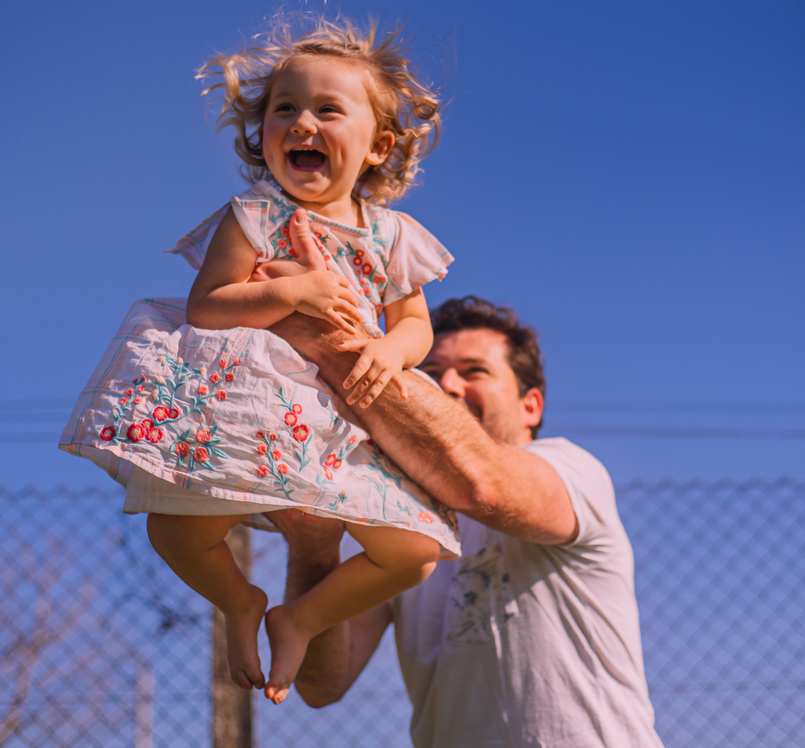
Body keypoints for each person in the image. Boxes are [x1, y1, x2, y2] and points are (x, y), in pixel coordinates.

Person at [58, 15, 463, 705]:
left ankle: (299, 615)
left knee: (414, 551)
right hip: (253, 416)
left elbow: (416, 326)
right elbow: (210, 304)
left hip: (343, 421)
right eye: (285, 109)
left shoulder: (394, 235)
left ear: (377, 146)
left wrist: (390, 350)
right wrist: (290, 290)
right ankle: (241, 602)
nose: (302, 122)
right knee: (174, 530)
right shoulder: (251, 215)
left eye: (327, 109)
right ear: (262, 133)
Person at [261, 292, 666, 747]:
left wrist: (323, 338)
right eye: (429, 373)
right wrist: (313, 544)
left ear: (530, 405)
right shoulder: (397, 523)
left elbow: (481, 483)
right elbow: (321, 683)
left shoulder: (571, 469)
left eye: (475, 371)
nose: (448, 384)